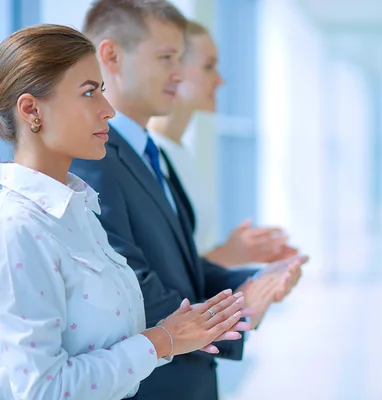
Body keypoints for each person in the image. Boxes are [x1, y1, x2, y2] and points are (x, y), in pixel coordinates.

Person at [69, 1, 307, 399]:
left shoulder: (149, 151)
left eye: (180, 59)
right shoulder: (93, 159)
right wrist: (239, 308)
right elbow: (132, 287)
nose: (179, 74)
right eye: (166, 58)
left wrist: (253, 282)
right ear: (111, 56)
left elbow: (180, 270)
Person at [0, 24, 251, 400]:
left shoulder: (79, 210)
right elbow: (41, 390)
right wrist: (161, 341)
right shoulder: (18, 228)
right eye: (89, 92)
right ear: (32, 109)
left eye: (101, 90)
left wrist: (177, 332)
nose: (108, 110)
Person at [148, 20, 298, 267]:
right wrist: (229, 256)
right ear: (172, 68)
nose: (220, 80)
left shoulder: (180, 153)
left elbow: (193, 254)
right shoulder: (147, 157)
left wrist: (245, 256)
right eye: (208, 67)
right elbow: (164, 273)